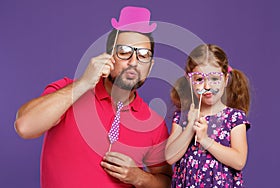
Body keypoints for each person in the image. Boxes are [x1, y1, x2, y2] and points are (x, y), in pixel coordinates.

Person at [15, 6, 172, 188]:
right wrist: (83, 84)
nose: (134, 62)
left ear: (150, 66)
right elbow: (24, 127)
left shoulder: (154, 123)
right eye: (124, 52)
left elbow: (166, 182)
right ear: (109, 56)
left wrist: (139, 177)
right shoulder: (68, 91)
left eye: (143, 55)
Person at [165, 44, 251, 187]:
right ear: (190, 81)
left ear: (226, 79)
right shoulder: (183, 117)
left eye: (214, 79)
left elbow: (239, 161)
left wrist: (205, 140)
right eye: (199, 79)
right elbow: (170, 157)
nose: (207, 86)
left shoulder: (234, 117)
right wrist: (189, 128)